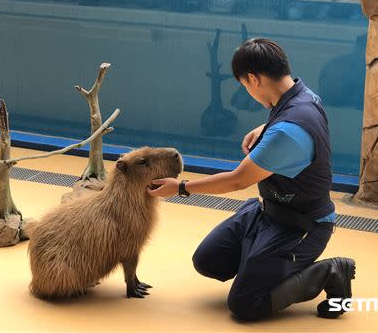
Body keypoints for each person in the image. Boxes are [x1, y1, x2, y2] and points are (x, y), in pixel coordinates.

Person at [148, 38, 356, 321]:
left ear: (253, 79)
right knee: (208, 261)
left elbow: (237, 180)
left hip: (302, 227)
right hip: (265, 212)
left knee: (246, 304)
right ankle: (261, 264)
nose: (247, 91)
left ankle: (329, 272)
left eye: (244, 85)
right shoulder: (303, 94)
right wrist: (265, 127)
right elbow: (293, 122)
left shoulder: (286, 133)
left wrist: (180, 187)